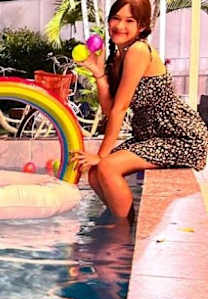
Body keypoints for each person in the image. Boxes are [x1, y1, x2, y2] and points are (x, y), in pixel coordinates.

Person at [72, 0, 208, 220]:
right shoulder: (119, 56)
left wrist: (101, 155)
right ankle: (120, 220)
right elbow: (110, 109)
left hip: (180, 136)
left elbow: (120, 108)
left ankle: (124, 231)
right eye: (116, 18)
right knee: (95, 174)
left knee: (106, 167)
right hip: (151, 136)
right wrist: (99, 74)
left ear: (142, 26)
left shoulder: (138, 51)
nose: (120, 26)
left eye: (129, 21)